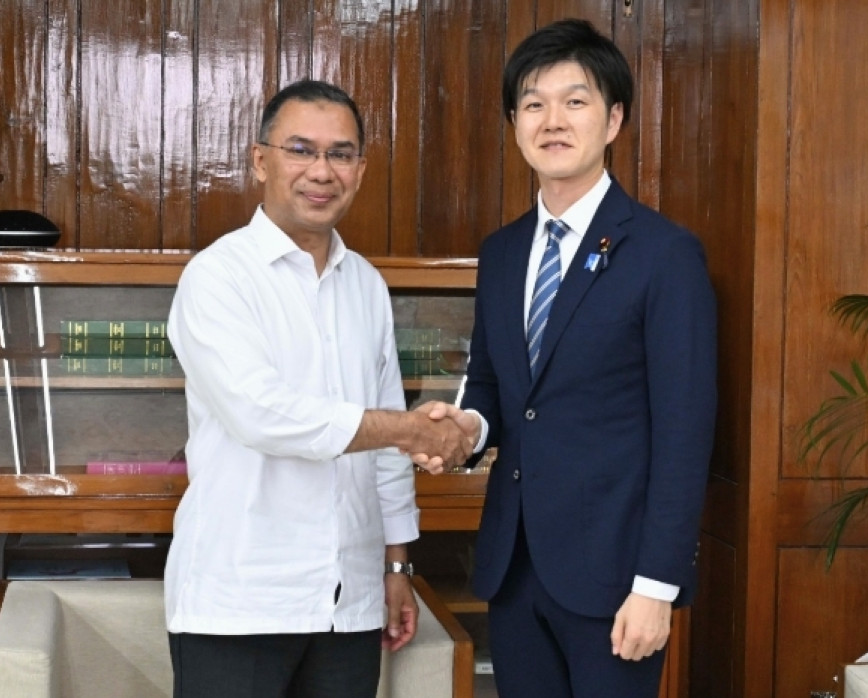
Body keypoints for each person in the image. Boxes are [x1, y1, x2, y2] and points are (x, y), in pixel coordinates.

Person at [425, 18, 718, 697]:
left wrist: (656, 584)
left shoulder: (663, 254)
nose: (552, 120)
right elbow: (495, 386)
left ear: (613, 120)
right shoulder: (501, 253)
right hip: (515, 570)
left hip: (618, 581)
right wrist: (466, 428)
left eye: (575, 101)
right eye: (533, 103)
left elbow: (684, 433)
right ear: (515, 122)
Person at [164, 79, 474, 698]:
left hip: (349, 602)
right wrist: (413, 428)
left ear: (360, 169)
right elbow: (266, 418)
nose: (320, 171)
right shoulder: (217, 277)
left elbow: (388, 452)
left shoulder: (365, 284)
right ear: (261, 160)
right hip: (241, 600)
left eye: (340, 154)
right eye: (300, 149)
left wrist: (396, 565)